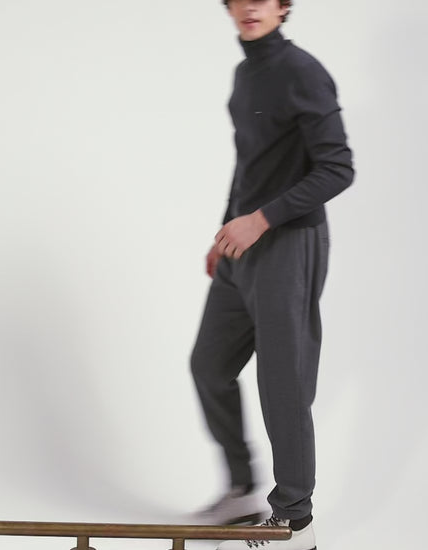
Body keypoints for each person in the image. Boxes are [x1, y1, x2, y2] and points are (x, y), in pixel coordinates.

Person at [190, 0, 354, 548]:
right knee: (209, 365)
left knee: (283, 382)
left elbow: (338, 168)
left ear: (283, 7)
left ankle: (294, 521)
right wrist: (225, 231)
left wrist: (260, 220)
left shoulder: (302, 72)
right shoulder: (246, 74)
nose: (251, 7)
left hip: (289, 242)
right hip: (243, 246)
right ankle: (242, 490)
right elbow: (249, 162)